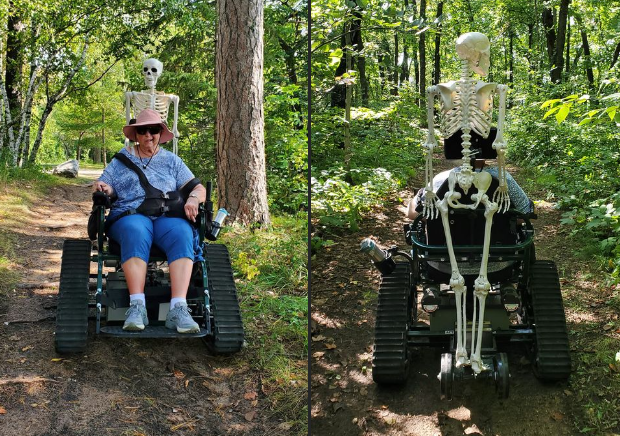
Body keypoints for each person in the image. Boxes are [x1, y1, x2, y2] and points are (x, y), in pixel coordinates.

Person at [93, 109, 206, 333]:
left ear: (160, 133)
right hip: (130, 215)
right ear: (135, 134)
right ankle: (137, 306)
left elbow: (198, 188)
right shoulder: (121, 160)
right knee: (137, 230)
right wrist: (104, 188)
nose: (148, 135)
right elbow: (103, 184)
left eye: (153, 130)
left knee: (183, 232)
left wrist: (193, 199)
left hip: (165, 217)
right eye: (142, 130)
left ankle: (179, 309)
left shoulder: (172, 161)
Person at [406, 159, 533, 219]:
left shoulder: (442, 179)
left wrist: (419, 194)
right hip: (501, 264)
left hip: (441, 264)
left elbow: (413, 214)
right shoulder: (505, 180)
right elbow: (526, 213)